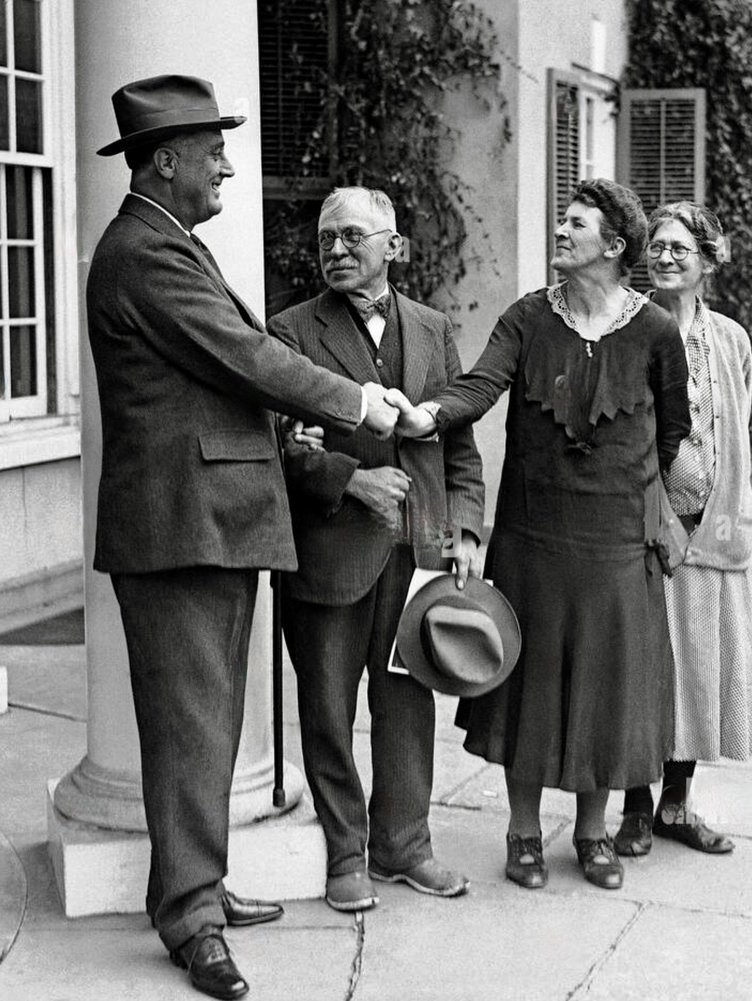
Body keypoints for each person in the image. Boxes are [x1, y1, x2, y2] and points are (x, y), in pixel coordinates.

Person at [87, 75, 400, 1001]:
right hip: (182, 530)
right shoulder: (146, 252)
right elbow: (243, 356)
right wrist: (352, 399)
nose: (227, 162)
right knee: (190, 726)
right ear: (168, 160)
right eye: (213, 148)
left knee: (208, 723)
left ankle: (200, 886)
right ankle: (190, 916)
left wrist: (278, 434)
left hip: (205, 523)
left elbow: (213, 380)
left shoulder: (166, 242)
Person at [393, 178, 690, 892]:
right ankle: (522, 833)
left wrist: (669, 520)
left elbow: (674, 433)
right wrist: (427, 414)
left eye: (576, 223)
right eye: (561, 219)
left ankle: (591, 835)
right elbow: (480, 387)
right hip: (533, 538)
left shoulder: (655, 331)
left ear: (614, 247)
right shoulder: (528, 318)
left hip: (618, 544)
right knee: (529, 687)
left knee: (604, 690)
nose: (561, 231)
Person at [267, 187, 486, 913]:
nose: (335, 249)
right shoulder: (291, 332)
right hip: (328, 553)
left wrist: (465, 529)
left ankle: (403, 845)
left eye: (353, 236)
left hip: (416, 555)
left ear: (393, 245)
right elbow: (275, 450)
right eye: (326, 237)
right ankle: (344, 853)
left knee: (407, 704)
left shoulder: (431, 327)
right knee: (328, 710)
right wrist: (351, 479)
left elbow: (459, 441)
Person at [613, 202, 752, 859]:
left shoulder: (731, 339)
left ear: (707, 260)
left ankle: (677, 803)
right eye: (659, 247)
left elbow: (738, 423)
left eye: (681, 248)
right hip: (645, 526)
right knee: (641, 668)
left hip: (713, 530)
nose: (666, 257)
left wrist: (729, 507)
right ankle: (634, 809)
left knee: (701, 667)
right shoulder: (626, 329)